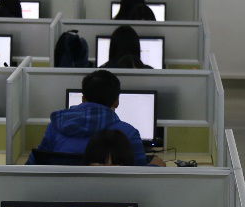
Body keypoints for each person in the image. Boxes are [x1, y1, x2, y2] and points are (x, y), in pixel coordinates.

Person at [30, 70, 163, 166]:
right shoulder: (128, 133)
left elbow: (31, 166)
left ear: (83, 99)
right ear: (117, 101)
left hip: (60, 193)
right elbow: (140, 178)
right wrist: (155, 166)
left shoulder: (56, 127)